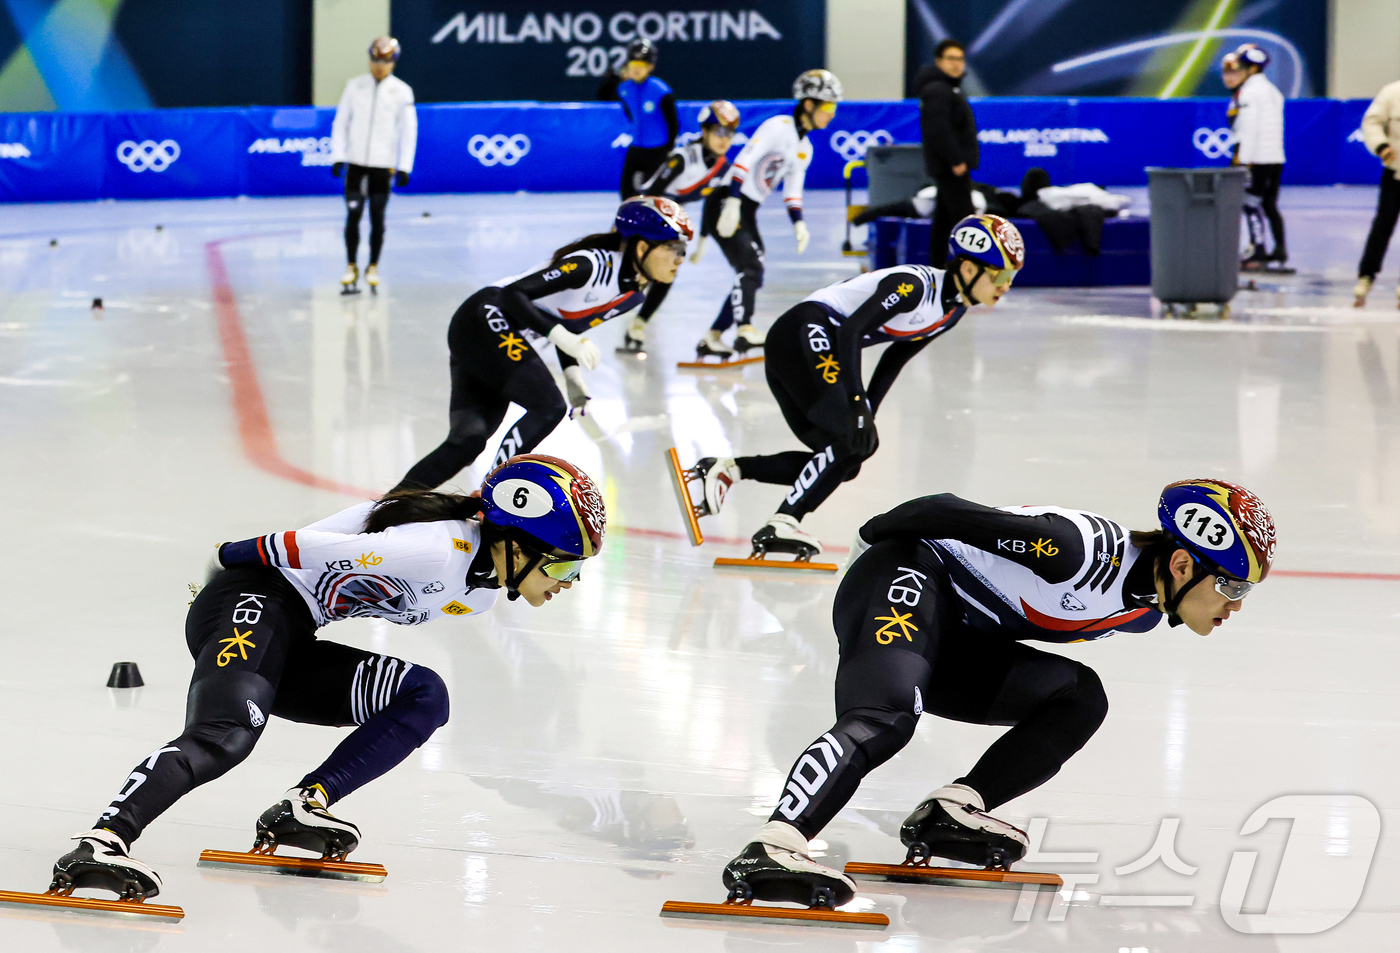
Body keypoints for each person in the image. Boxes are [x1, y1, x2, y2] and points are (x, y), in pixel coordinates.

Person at [49, 455, 607, 902]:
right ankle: (101, 841)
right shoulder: (437, 550)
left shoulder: (480, 593)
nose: (568, 582)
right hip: (254, 598)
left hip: (295, 632)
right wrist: (225, 558)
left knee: (424, 695)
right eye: (562, 565)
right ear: (514, 543)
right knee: (225, 736)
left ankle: (303, 805)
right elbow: (311, 545)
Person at [718, 479, 1277, 909]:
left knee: (1080, 697)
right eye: (1232, 585)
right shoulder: (1074, 550)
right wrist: (865, 562)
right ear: (1181, 563)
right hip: (907, 573)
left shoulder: (1141, 615)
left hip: (954, 630)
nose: (1236, 604)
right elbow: (939, 510)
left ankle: (955, 810)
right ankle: (777, 840)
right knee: (886, 716)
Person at [674, 215, 1024, 557]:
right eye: (1000, 275)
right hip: (803, 331)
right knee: (849, 438)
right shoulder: (914, 286)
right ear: (967, 269)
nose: (1005, 286)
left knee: (852, 454)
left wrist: (865, 414)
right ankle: (782, 522)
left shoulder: (952, 311)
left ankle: (726, 470)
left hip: (810, 345)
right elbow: (850, 331)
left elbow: (894, 359)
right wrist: (857, 406)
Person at [392, 197, 693, 493]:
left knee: (467, 442)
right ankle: (492, 493)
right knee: (549, 407)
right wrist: (564, 339)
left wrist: (572, 375)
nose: (680, 260)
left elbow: (570, 324)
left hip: (490, 338)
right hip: (484, 317)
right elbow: (512, 295)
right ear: (643, 246)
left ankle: (387, 507)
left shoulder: (633, 296)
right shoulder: (590, 264)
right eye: (675, 250)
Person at [693, 69, 842, 360]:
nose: (832, 115)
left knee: (754, 272)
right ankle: (744, 329)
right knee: (749, 266)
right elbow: (744, 160)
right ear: (809, 105)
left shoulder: (805, 148)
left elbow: (792, 192)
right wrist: (733, 201)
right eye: (828, 107)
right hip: (727, 200)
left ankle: (712, 337)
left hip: (747, 207)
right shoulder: (778, 126)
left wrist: (799, 223)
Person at [612, 100, 742, 354]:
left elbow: (711, 206)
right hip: (646, 213)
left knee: (666, 273)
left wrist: (703, 241)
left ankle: (637, 325)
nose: (724, 139)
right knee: (627, 275)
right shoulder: (684, 158)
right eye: (719, 132)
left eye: (730, 134)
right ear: (704, 131)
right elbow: (650, 193)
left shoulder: (723, 168)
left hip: (670, 221)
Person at [330, 36, 418, 294]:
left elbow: (409, 130)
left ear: (394, 63)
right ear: (369, 59)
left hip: (383, 165)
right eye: (376, 60)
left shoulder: (402, 91)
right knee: (353, 215)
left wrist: (404, 165)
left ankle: (373, 266)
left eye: (386, 61)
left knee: (377, 217)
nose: (379, 66)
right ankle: (351, 265)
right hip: (356, 165)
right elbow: (340, 122)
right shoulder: (354, 86)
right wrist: (338, 155)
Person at [912, 40, 978, 267]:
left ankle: (936, 266)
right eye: (951, 58)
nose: (956, 64)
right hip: (951, 167)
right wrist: (956, 159)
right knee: (965, 220)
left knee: (943, 220)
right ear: (938, 62)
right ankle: (972, 269)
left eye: (960, 58)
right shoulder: (937, 90)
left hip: (951, 165)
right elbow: (937, 129)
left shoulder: (947, 89)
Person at [1222, 44, 1287, 270]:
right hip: (1276, 158)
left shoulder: (1250, 92)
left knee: (1249, 203)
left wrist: (1242, 162)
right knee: (1269, 204)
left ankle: (1257, 250)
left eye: (1241, 66)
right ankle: (1280, 249)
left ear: (1250, 69)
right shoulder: (1272, 91)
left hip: (1257, 158)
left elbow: (1248, 130)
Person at [597, 39, 678, 199]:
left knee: (653, 194)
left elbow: (673, 122)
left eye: (641, 66)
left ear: (650, 67)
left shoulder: (660, 90)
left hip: (657, 149)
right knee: (626, 191)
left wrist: (668, 148)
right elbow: (604, 97)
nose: (636, 70)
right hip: (636, 147)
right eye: (633, 65)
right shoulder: (624, 88)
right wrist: (611, 79)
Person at [1354, 77, 1400, 308]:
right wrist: (1381, 146)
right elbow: (1372, 122)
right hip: (1395, 174)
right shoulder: (1392, 93)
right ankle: (1366, 276)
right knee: (1383, 226)